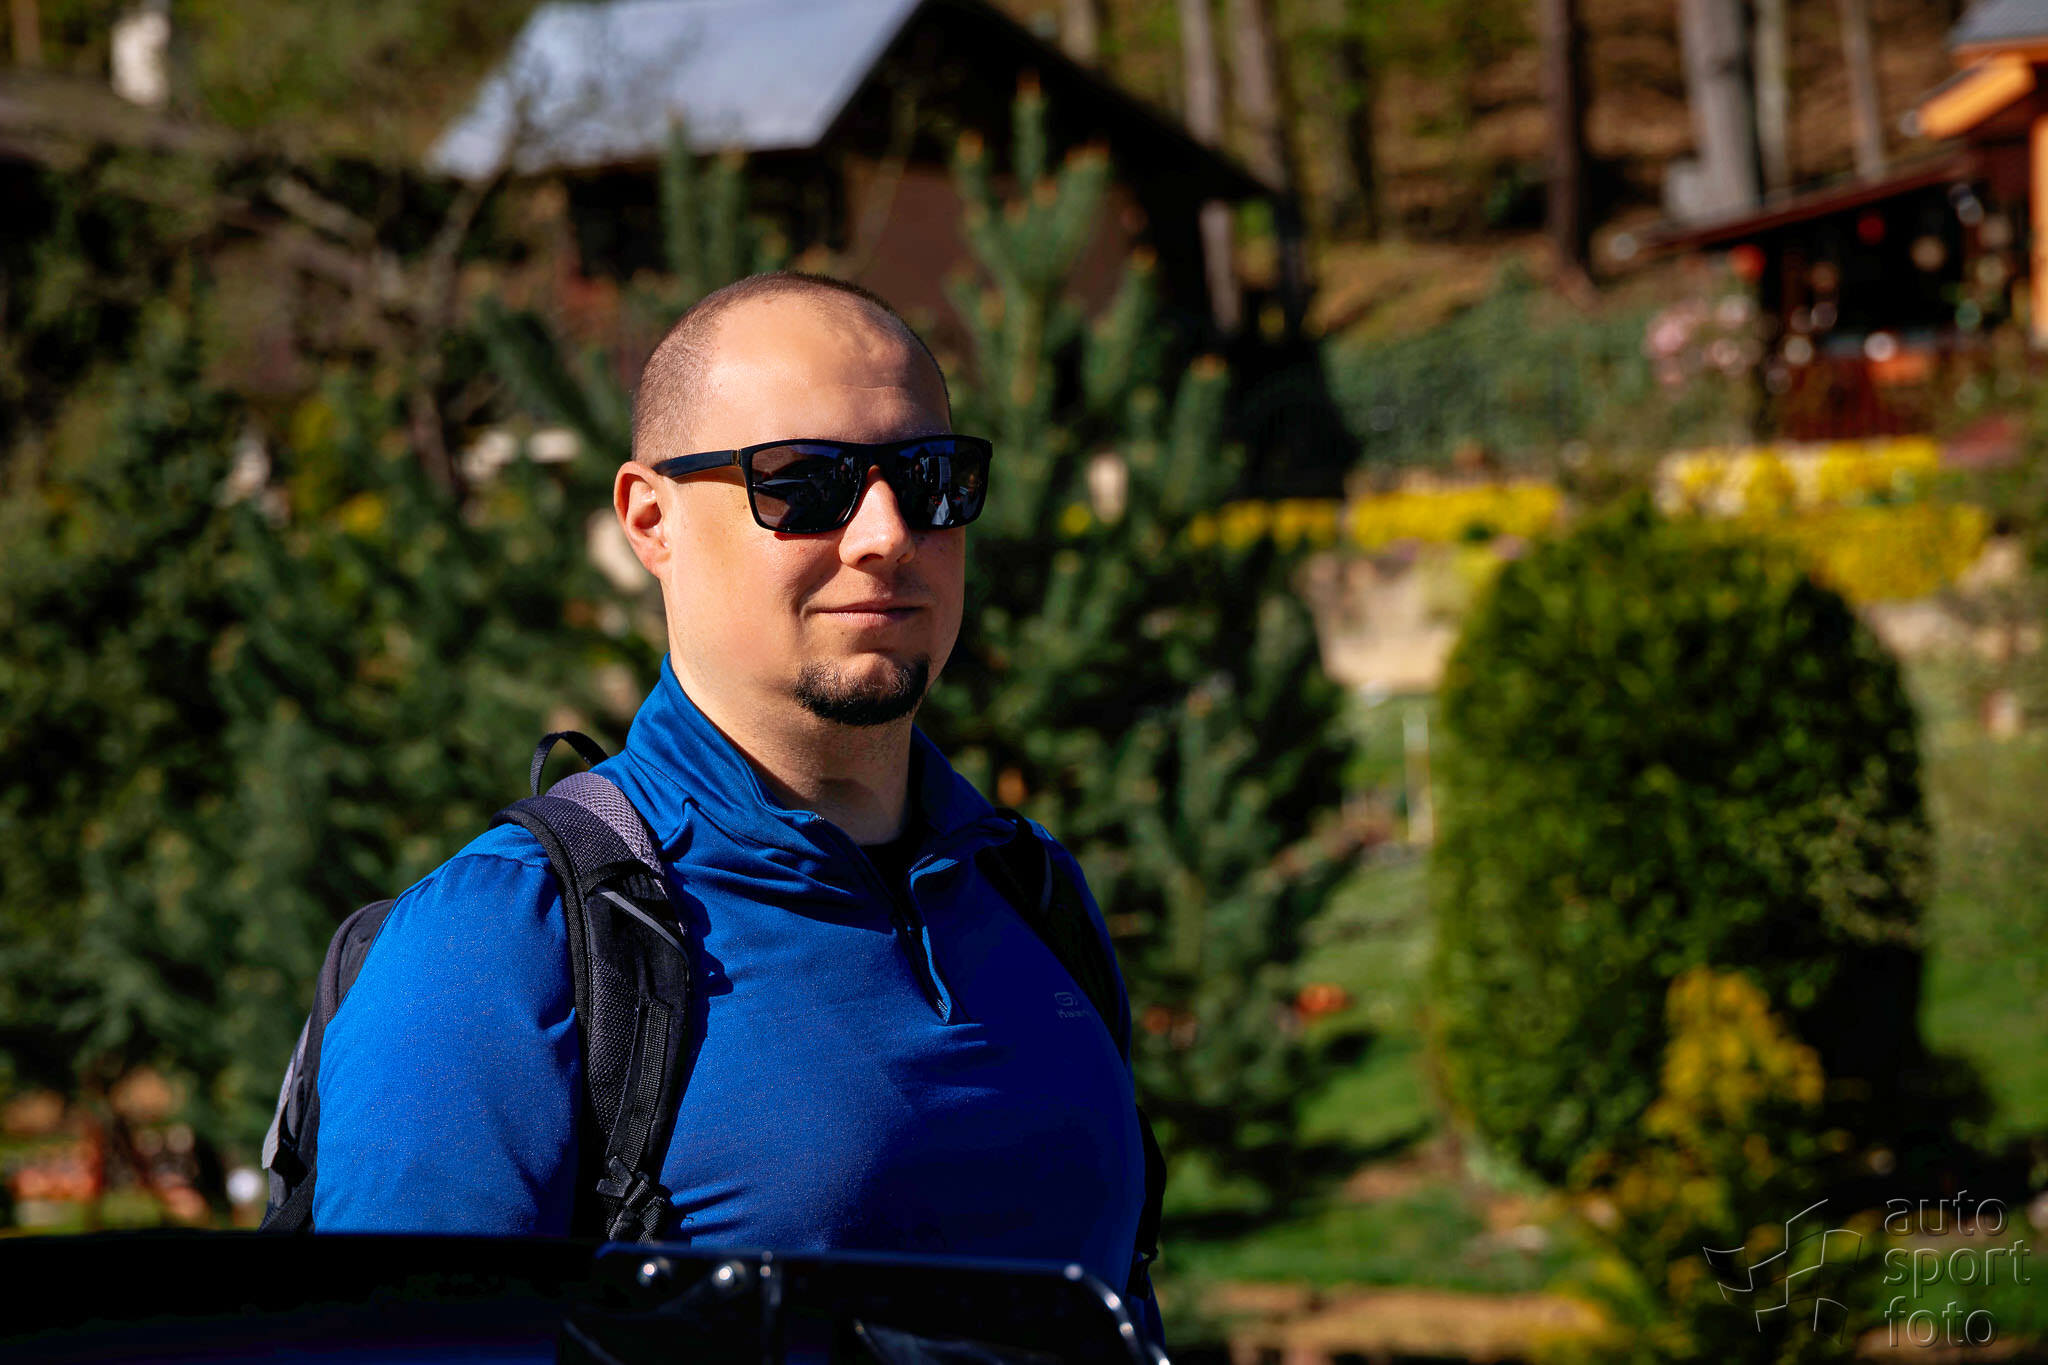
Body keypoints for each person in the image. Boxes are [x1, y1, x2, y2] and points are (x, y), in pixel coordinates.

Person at [308, 272, 1155, 1330]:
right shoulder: (502, 940)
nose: (885, 533)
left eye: (929, 479)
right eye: (802, 482)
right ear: (649, 519)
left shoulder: (1033, 895)